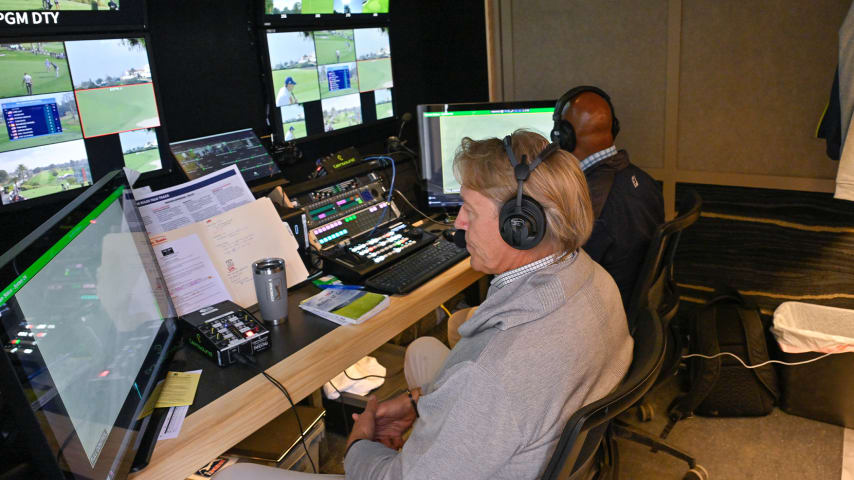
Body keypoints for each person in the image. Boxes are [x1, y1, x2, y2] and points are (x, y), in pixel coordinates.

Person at [214, 130, 633, 480]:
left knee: (232, 476)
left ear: (519, 226)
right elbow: (479, 388)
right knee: (422, 352)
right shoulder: (594, 277)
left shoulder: (492, 371)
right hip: (538, 440)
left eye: (469, 209)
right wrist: (420, 403)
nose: (458, 223)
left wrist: (358, 447)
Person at [554, 85, 664, 312]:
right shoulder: (644, 181)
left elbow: (562, 279)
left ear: (564, 137)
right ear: (613, 128)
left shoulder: (591, 206)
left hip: (598, 316)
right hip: (629, 309)